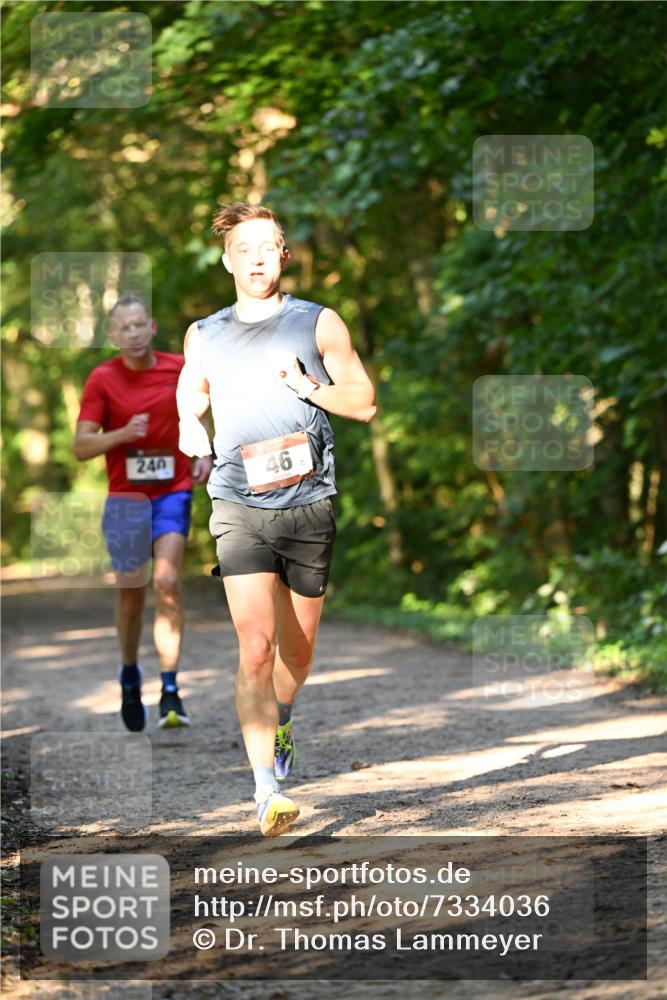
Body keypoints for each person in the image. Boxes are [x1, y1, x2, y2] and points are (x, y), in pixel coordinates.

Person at [177, 202, 376, 836]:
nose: (259, 258)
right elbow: (193, 390)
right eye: (247, 248)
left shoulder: (317, 324)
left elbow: (365, 403)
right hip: (237, 504)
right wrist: (189, 426)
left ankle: (282, 716)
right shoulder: (204, 333)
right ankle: (267, 792)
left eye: (270, 247)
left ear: (283, 255)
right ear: (228, 258)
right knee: (255, 647)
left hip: (308, 502)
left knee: (298, 651)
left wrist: (308, 388)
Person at [74, 293, 212, 732]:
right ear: (113, 335)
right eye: (124, 328)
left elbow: (200, 412)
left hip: (173, 489)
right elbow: (80, 447)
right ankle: (130, 676)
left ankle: (170, 688)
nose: (133, 334)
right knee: (131, 597)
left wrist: (204, 449)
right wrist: (120, 434)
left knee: (168, 583)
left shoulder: (178, 368)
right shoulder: (102, 379)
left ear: (151, 328)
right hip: (126, 501)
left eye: (140, 325)